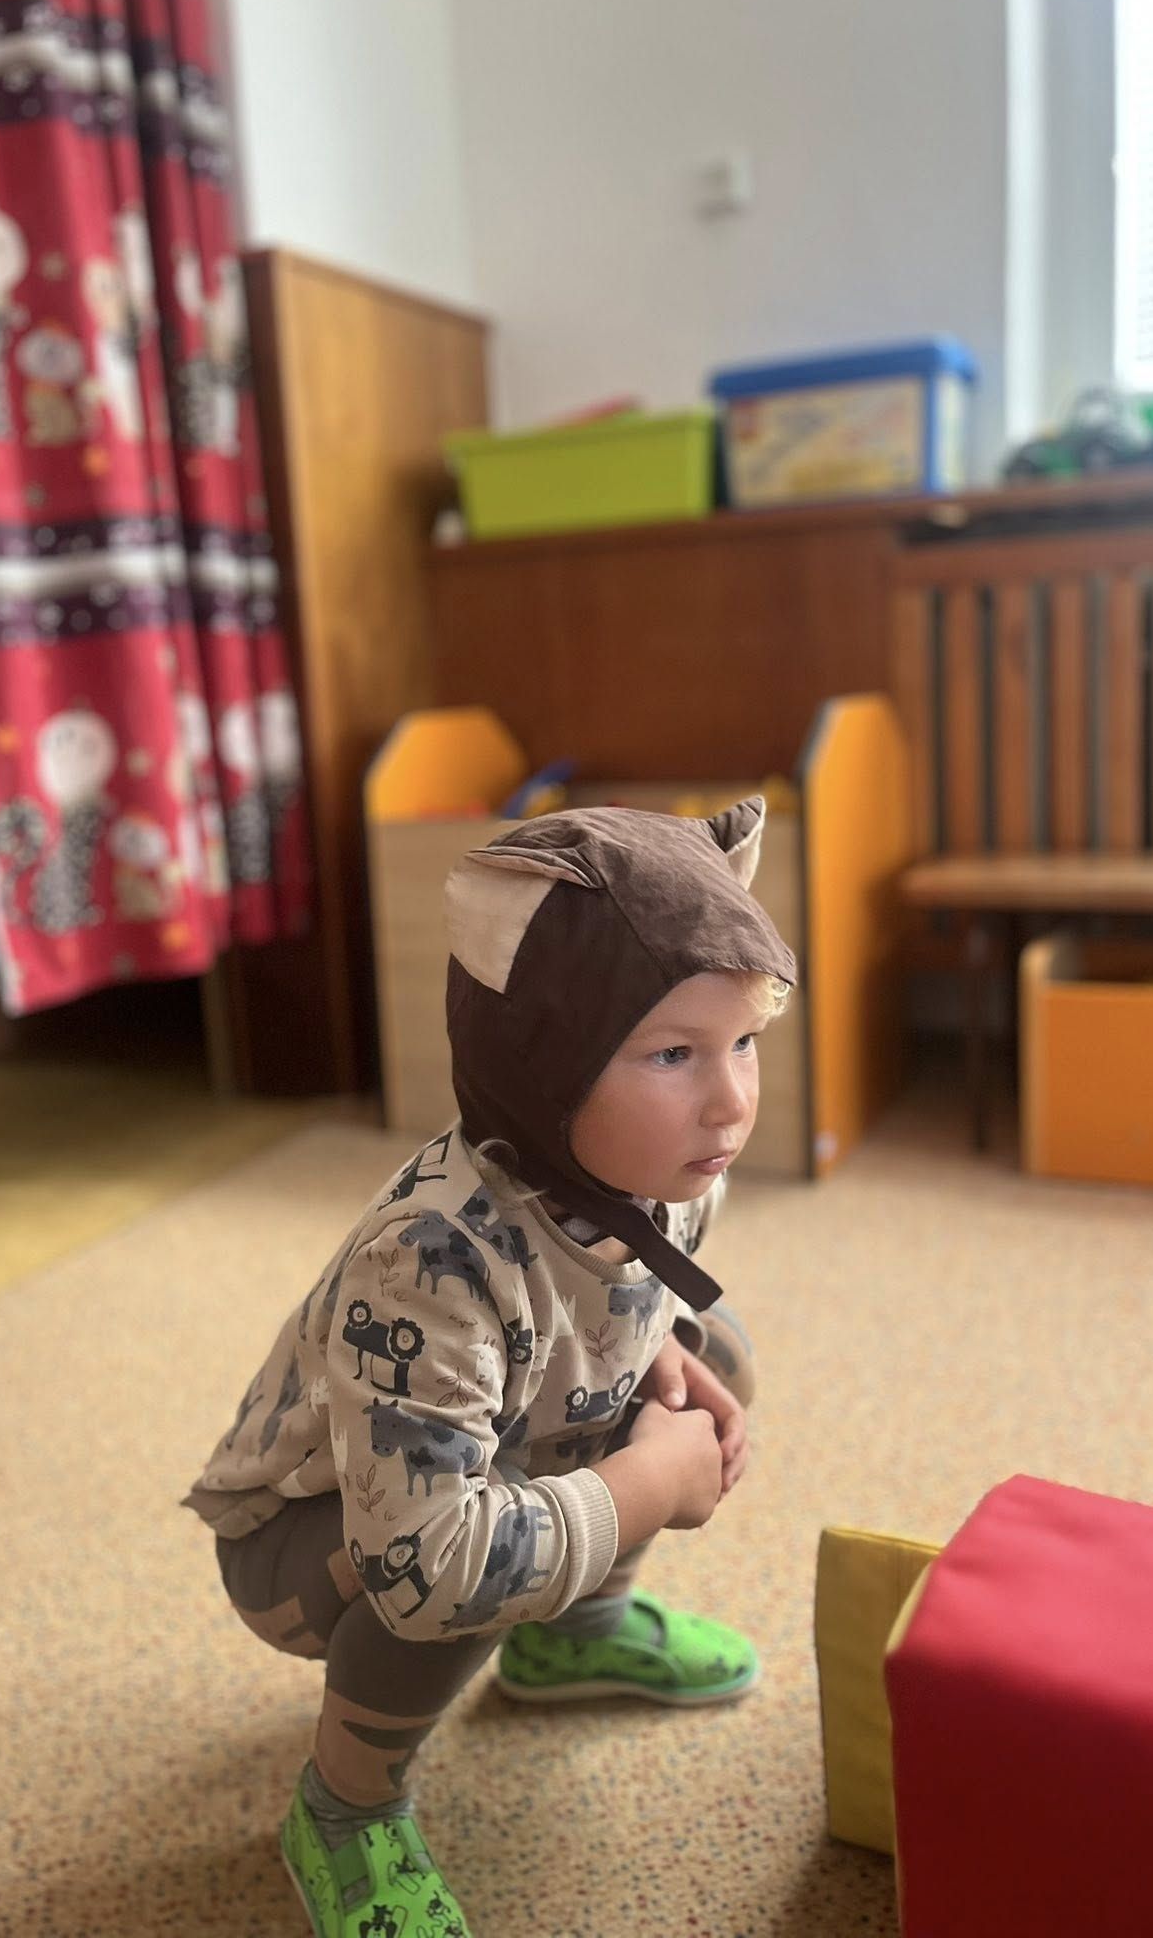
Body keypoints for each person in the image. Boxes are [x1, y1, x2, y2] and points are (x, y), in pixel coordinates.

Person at [184, 796, 796, 1937]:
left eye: (743, 1043)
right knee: (477, 1557)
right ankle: (344, 1811)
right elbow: (427, 1561)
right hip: (305, 1539)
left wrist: (660, 1349)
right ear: (541, 1065)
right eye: (674, 1053)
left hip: (484, 1439)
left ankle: (573, 1635)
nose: (731, 1101)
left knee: (716, 1354)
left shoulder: (667, 1170)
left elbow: (626, 1297)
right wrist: (645, 1485)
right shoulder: (430, 1261)